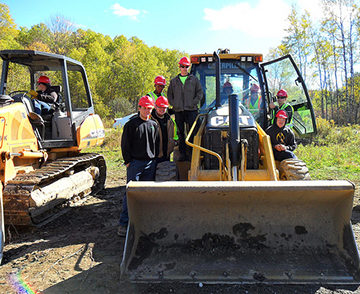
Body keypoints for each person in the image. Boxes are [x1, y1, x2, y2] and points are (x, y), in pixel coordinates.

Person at [118, 96, 160, 237]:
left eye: (149, 108)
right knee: (130, 193)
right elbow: (125, 144)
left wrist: (154, 160)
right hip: (135, 163)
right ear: (139, 108)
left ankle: (145, 221)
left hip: (150, 163)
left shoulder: (153, 125)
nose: (147, 111)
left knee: (147, 193)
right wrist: (128, 161)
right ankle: (124, 223)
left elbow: (156, 143)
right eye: (145, 108)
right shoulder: (131, 125)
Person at [167, 56, 203, 161]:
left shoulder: (194, 80)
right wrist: (175, 104)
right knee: (180, 133)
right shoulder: (174, 81)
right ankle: (182, 154)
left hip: (191, 110)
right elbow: (170, 94)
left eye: (186, 66)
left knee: (192, 132)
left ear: (189, 67)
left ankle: (192, 154)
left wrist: (193, 103)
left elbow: (200, 92)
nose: (184, 68)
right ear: (179, 67)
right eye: (182, 66)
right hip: (179, 111)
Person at [151, 96, 177, 163]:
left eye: (164, 107)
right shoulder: (150, 119)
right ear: (155, 106)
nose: (162, 109)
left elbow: (175, 135)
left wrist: (175, 142)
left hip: (166, 155)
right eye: (160, 107)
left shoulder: (170, 120)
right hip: (153, 157)